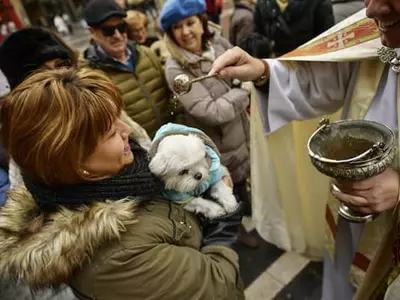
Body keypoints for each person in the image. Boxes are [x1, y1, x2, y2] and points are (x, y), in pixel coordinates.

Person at [0, 68, 245, 300]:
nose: (127, 129)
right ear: (74, 163)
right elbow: (218, 284)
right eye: (109, 133)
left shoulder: (127, 174)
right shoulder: (117, 257)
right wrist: (223, 214)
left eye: (119, 117)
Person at [209, 1, 400, 299]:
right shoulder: (372, 32)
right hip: (350, 216)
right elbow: (322, 80)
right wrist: (262, 70)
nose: (373, 10)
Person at [160, 0, 256, 247]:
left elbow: (241, 68)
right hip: (217, 145)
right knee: (225, 190)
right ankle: (235, 230)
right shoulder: (176, 69)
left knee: (243, 182)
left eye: (190, 23)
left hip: (240, 131)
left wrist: (238, 86)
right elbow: (210, 111)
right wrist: (242, 90)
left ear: (201, 22)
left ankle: (250, 214)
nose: (185, 32)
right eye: (177, 27)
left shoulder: (218, 43)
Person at [83, 0, 173, 138]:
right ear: (92, 32)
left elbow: (172, 94)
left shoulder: (146, 53)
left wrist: (179, 127)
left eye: (122, 27)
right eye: (108, 30)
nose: (118, 35)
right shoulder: (90, 76)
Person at [254, 0, 334, 57]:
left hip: (309, 64)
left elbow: (326, 37)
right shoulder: (263, 3)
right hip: (276, 65)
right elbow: (259, 33)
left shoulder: (317, 2)